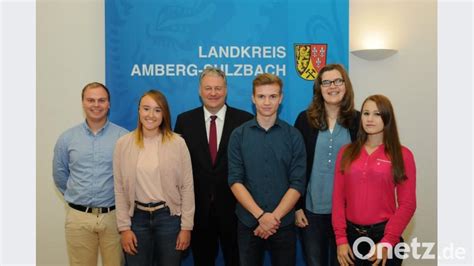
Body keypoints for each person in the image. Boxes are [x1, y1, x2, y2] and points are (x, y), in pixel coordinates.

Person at [174, 66, 253, 266]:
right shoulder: (184, 121)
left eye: (218, 88)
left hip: (236, 211)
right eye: (208, 88)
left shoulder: (244, 121)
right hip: (198, 211)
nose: (213, 93)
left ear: (226, 90)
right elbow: (178, 168)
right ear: (200, 91)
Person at [228, 73, 306, 266]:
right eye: (261, 96)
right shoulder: (239, 135)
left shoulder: (293, 136)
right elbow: (235, 181)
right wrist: (261, 216)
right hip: (248, 224)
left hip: (284, 224)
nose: (267, 102)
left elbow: (297, 183)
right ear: (253, 98)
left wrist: (273, 218)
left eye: (273, 96)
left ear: (281, 99)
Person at [332, 94, 416, 266]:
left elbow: (408, 204)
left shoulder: (402, 154)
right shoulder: (346, 152)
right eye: (366, 113)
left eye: (377, 114)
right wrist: (341, 239)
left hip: (384, 238)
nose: (370, 119)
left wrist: (388, 241)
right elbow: (338, 199)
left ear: (387, 117)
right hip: (350, 239)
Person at [113, 90, 194, 266]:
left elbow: (187, 187)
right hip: (136, 220)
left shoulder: (177, 143)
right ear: (139, 111)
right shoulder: (123, 144)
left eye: (157, 110)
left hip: (169, 219)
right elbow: (119, 189)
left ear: (164, 114)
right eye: (146, 109)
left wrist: (186, 227)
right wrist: (124, 228)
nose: (151, 115)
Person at [53, 82, 128, 266]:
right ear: (83, 103)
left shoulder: (123, 137)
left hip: (114, 217)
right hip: (79, 218)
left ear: (109, 104)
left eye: (101, 100)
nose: (96, 105)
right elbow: (60, 175)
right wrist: (77, 198)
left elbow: (129, 177)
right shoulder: (67, 138)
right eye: (91, 100)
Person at [294, 64, 360, 266]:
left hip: (348, 213)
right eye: (326, 82)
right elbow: (295, 166)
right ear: (319, 88)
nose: (333, 86)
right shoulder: (305, 120)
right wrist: (297, 207)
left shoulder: (358, 120)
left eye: (338, 81)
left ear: (346, 85)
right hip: (312, 213)